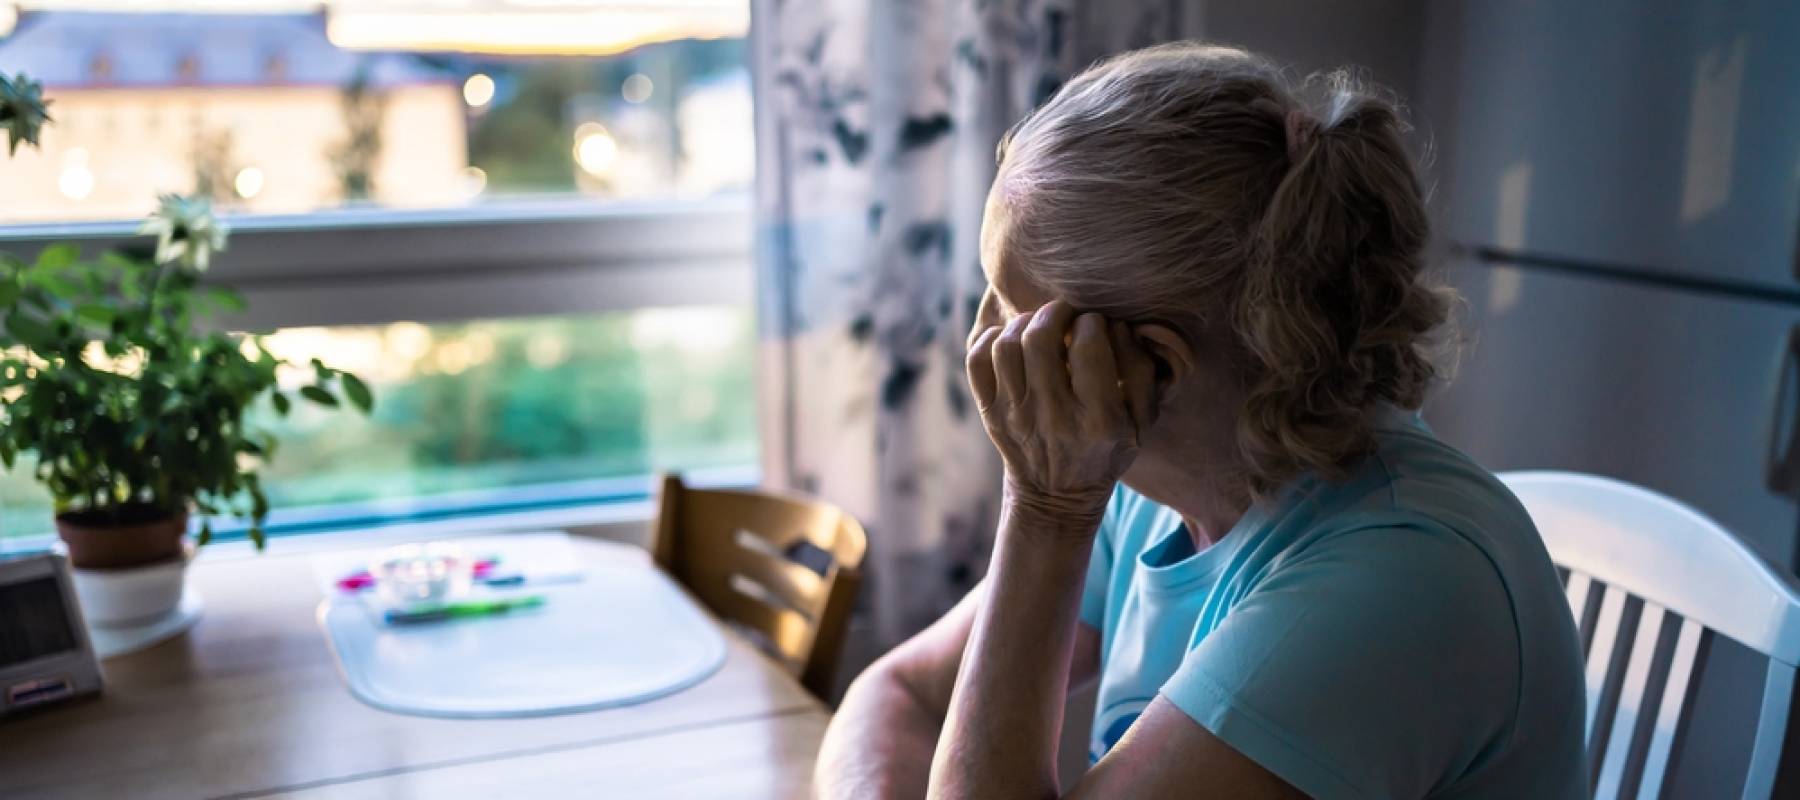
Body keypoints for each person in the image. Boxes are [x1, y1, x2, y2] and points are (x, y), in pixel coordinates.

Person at [812, 43, 1588, 799]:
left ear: (1153, 364)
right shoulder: (1149, 493)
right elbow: (901, 694)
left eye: (1016, 320)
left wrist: (1044, 509)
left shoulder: (1396, 584)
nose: (983, 344)